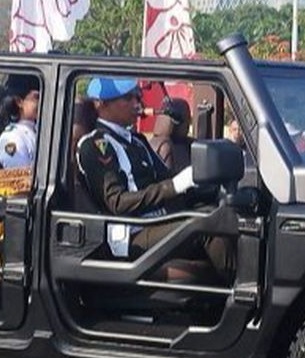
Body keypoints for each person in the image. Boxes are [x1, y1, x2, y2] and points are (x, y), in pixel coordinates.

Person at [75, 77, 232, 278]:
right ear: (101, 104)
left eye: (137, 97)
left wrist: (210, 187)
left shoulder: (137, 141)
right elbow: (117, 203)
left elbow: (165, 179)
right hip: (129, 234)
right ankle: (241, 294)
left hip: (157, 223)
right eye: (127, 98)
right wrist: (175, 185)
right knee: (206, 225)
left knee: (220, 214)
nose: (137, 104)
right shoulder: (95, 144)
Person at [0, 75, 42, 170]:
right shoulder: (12, 137)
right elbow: (20, 179)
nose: (41, 102)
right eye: (36, 98)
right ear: (19, 101)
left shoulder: (39, 130)